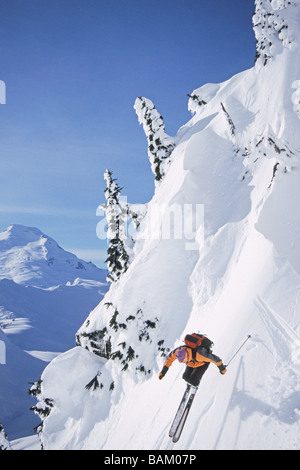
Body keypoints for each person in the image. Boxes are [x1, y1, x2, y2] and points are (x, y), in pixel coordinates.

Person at [158, 336, 227, 387]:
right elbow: (169, 359)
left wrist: (222, 369)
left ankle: (194, 385)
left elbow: (215, 359)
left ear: (187, 357)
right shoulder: (179, 351)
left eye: (184, 361)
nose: (183, 362)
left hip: (202, 363)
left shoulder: (200, 355)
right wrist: (163, 372)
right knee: (185, 376)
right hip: (191, 363)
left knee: (194, 381)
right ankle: (190, 380)